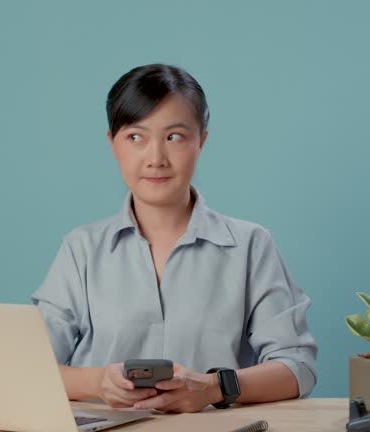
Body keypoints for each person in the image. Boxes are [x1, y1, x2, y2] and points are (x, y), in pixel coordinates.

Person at [31, 63, 317, 413]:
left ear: (202, 141)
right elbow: (29, 367)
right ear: (112, 144)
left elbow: (297, 368)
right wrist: (98, 383)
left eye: (174, 137)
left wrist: (213, 388)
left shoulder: (250, 245)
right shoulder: (82, 249)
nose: (156, 158)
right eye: (136, 137)